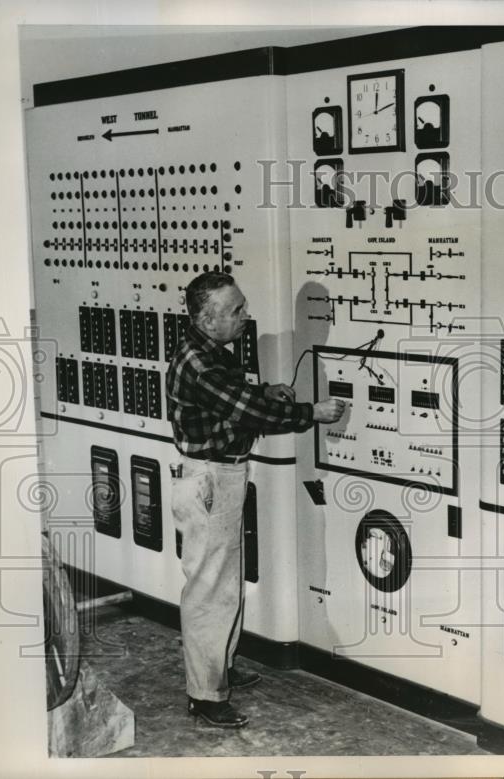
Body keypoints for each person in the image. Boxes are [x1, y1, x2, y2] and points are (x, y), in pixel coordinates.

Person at [166, 271, 343, 728]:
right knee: (210, 590)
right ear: (207, 320)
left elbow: (238, 401)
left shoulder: (208, 353)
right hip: (211, 479)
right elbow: (247, 412)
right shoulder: (201, 364)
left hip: (220, 477)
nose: (245, 318)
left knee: (225, 584)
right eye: (236, 311)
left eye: (243, 307)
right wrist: (311, 413)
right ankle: (205, 696)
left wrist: (265, 392)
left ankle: (218, 670)